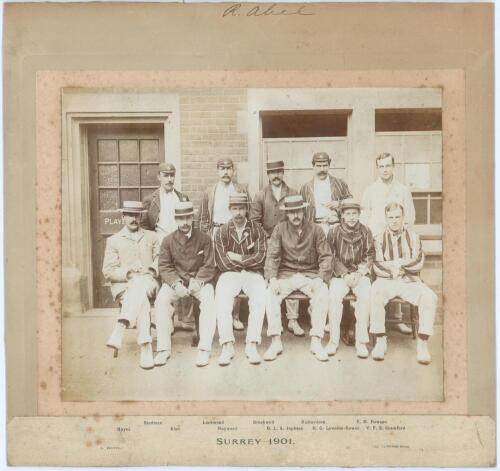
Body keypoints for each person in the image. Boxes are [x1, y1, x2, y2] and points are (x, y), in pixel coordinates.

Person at [264, 195, 332, 362]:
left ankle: (316, 341)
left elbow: (326, 256)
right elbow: (272, 255)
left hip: (310, 274)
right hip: (286, 274)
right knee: (270, 293)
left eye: (298, 211)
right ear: (287, 214)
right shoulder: (280, 229)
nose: (295, 215)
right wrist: (272, 279)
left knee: (322, 292)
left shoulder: (316, 229)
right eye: (291, 212)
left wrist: (321, 278)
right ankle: (275, 340)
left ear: (304, 211)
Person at [370, 202, 437, 364]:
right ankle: (380, 340)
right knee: (374, 293)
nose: (394, 221)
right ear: (385, 219)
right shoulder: (378, 238)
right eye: (390, 217)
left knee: (430, 297)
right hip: (387, 280)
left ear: (403, 218)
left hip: (409, 280)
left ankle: (422, 344)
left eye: (397, 217)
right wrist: (397, 267)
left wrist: (399, 266)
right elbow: (377, 264)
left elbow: (419, 261)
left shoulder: (414, 237)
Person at [154, 201, 217, 367]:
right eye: (181, 218)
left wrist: (198, 281)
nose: (185, 222)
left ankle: (204, 349)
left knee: (209, 299)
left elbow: (209, 264)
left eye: (188, 217)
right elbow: (164, 266)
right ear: (176, 219)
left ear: (192, 217)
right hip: (177, 282)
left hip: (198, 282)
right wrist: (176, 284)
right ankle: (163, 349)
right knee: (161, 301)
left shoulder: (204, 239)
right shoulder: (168, 241)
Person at [360, 152, 416, 335]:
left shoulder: (403, 190)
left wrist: (399, 234)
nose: (385, 170)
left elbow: (410, 217)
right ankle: (373, 320)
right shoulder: (370, 190)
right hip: (376, 240)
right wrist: (370, 238)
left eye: (388, 166)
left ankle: (398, 319)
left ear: (393, 167)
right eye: (381, 166)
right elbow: (364, 218)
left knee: (397, 274)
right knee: (377, 278)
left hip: (397, 240)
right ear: (377, 168)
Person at [102, 201, 160, 369]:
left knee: (141, 284)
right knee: (139, 292)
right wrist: (128, 272)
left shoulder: (152, 236)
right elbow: (108, 271)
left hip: (149, 282)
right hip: (125, 287)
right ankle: (146, 348)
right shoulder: (114, 240)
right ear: (123, 217)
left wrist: (149, 270)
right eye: (130, 215)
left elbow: (160, 261)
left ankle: (120, 327)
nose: (134, 218)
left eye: (137, 215)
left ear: (141, 216)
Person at [250, 160, 304, 336]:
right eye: (272, 172)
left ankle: (293, 319)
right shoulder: (260, 195)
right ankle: (272, 320)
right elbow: (255, 221)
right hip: (267, 242)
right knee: (271, 276)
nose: (276, 176)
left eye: (279, 172)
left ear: (283, 172)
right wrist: (266, 238)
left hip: (290, 242)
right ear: (268, 175)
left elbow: (299, 219)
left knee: (291, 273)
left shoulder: (293, 193)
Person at [214, 193, 267, 366]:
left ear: (247, 209)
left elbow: (261, 257)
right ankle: (227, 345)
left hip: (253, 273)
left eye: (241, 209)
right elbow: (222, 261)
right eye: (234, 209)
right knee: (222, 296)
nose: (238, 213)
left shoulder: (257, 229)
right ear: (229, 210)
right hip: (230, 273)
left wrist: (238, 258)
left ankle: (251, 344)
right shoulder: (221, 231)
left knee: (260, 296)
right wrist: (243, 263)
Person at [140, 162, 193, 331]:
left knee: (184, 275)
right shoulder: (150, 200)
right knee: (165, 278)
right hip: (161, 243)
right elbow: (145, 226)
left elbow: (189, 221)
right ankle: (167, 320)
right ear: (159, 177)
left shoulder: (182, 197)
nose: (169, 179)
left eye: (172, 175)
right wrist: (153, 243)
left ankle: (185, 319)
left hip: (181, 242)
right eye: (166, 175)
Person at [199, 158, 251, 331]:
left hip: (234, 235)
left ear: (233, 171)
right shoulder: (210, 191)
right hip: (215, 233)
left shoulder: (240, 190)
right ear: (217, 171)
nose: (226, 172)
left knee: (234, 270)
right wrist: (205, 238)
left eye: (229, 168)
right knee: (213, 272)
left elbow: (248, 215)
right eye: (222, 168)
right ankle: (214, 314)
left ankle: (234, 316)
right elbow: (203, 218)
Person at [326, 203, 374, 358]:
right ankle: (333, 341)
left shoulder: (366, 231)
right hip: (341, 275)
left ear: (359, 214)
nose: (352, 217)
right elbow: (331, 256)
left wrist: (360, 273)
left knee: (366, 296)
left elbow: (369, 254)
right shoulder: (334, 232)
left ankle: (361, 342)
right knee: (333, 296)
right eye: (348, 214)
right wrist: (345, 274)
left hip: (360, 275)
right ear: (342, 215)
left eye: (355, 213)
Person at [300, 152, 353, 236]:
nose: (322, 169)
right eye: (318, 166)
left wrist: (339, 204)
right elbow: (301, 212)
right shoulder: (305, 188)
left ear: (329, 165)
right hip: (314, 229)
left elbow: (352, 204)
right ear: (313, 166)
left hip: (337, 227)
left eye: (325, 165)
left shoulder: (340, 183)